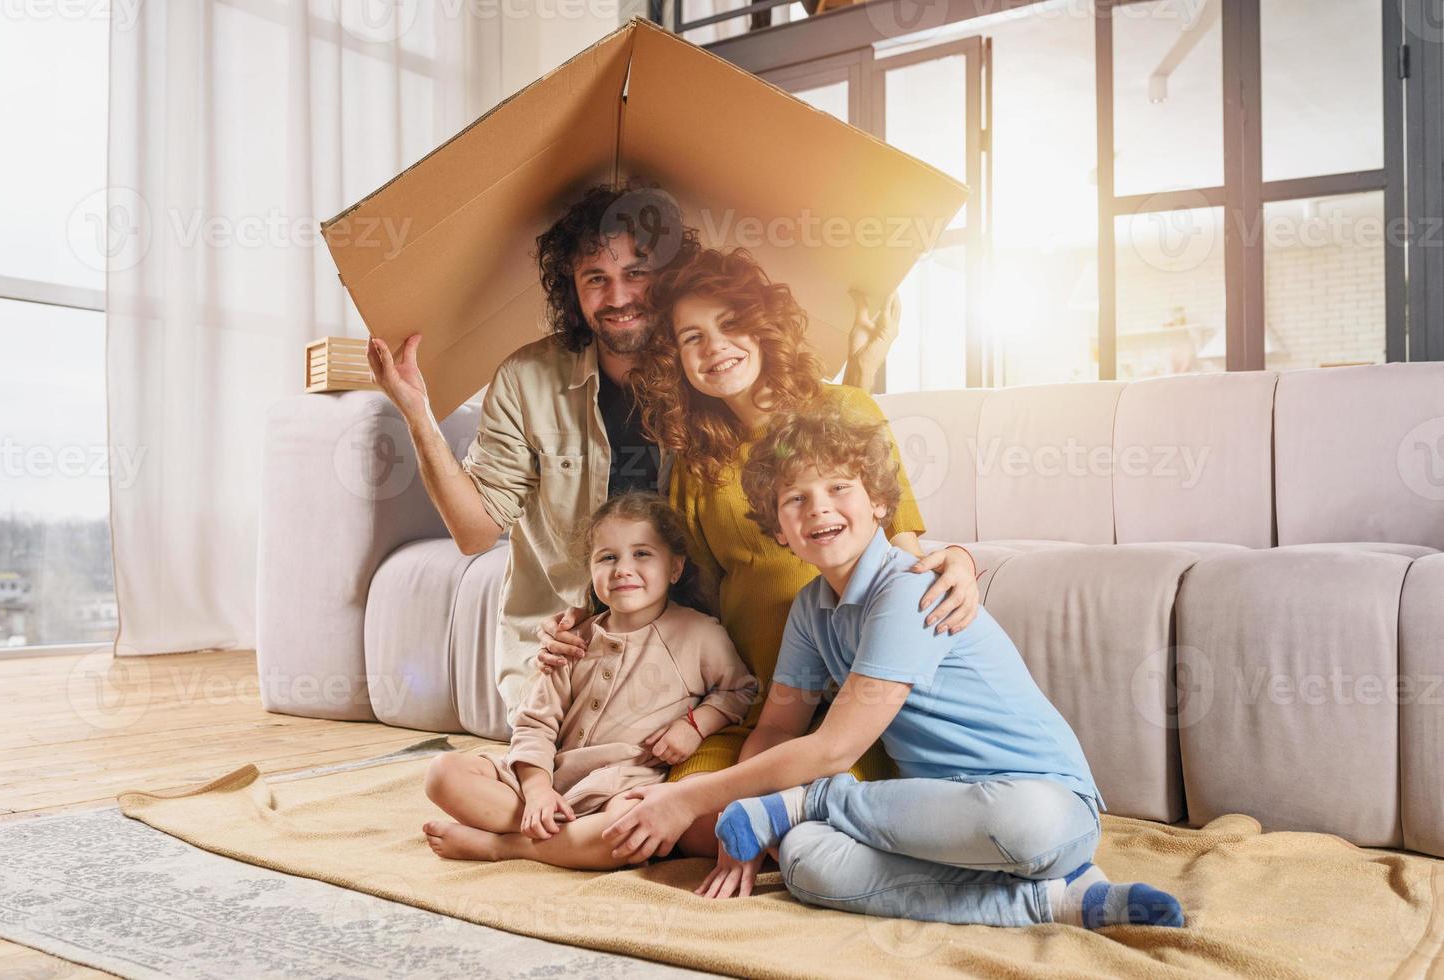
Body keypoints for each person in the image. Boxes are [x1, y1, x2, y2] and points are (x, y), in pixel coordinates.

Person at [365, 184, 937, 726]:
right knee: (566, 778)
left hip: (681, 644)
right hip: (563, 645)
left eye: (635, 274)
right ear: (573, 289)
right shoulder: (526, 379)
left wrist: (862, 372)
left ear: (666, 281)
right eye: (595, 279)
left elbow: (815, 447)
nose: (617, 298)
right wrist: (418, 413)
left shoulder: (707, 383)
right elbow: (472, 535)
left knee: (654, 789)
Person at [598, 406, 1186, 930]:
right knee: (805, 860)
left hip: (1042, 807)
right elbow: (777, 728)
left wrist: (692, 800)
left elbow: (833, 748)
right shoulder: (811, 608)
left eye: (838, 488)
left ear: (880, 502)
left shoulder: (908, 590)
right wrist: (736, 818)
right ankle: (1053, 903)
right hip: (925, 816)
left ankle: (809, 803)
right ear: (778, 528)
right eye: (795, 498)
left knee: (1028, 827)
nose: (818, 507)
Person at [536, 248, 981, 863]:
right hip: (753, 703)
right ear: (676, 360)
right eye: (692, 338)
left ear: (764, 328)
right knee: (676, 822)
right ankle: (520, 842)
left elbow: (900, 547)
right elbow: (685, 591)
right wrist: (589, 623)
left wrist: (958, 559)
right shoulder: (694, 460)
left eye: (731, 324)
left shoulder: (847, 411)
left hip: (848, 704)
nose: (714, 348)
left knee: (799, 834)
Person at [421, 491, 757, 871]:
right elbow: (535, 725)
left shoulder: (698, 634)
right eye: (608, 557)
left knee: (628, 829)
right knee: (442, 774)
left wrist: (695, 726)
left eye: (642, 554)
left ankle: (505, 847)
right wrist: (537, 791)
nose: (623, 569)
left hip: (621, 787)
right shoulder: (572, 640)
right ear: (591, 570)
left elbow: (741, 690)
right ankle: (562, 835)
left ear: (675, 568)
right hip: (551, 779)